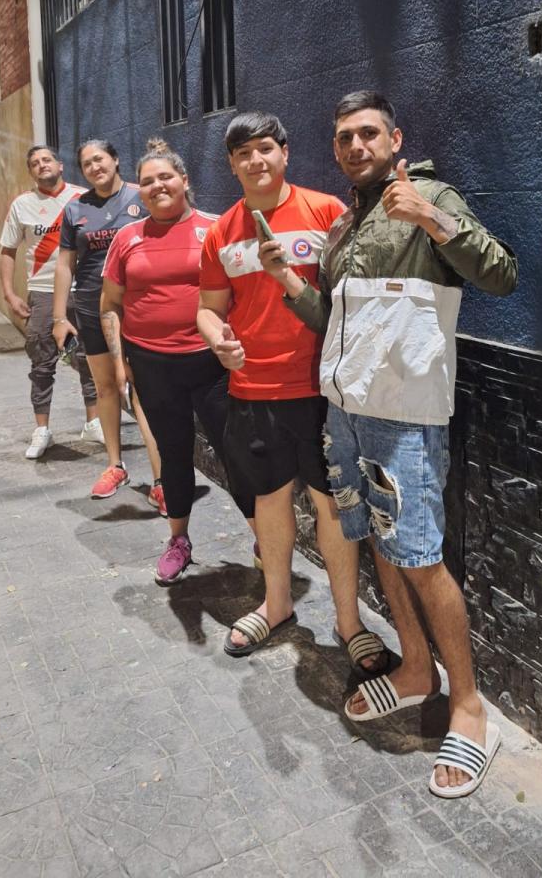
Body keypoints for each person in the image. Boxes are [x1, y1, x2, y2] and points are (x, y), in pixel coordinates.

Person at [263, 90, 517, 799]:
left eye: (368, 133)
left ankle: (469, 710)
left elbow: (501, 273)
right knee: (379, 540)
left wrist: (433, 219)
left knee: (422, 557)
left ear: (395, 139)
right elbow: (335, 319)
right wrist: (286, 280)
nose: (355, 146)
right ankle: (414, 669)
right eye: (344, 137)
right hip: (345, 410)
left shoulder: (427, 195)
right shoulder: (344, 226)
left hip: (404, 416)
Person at [197, 112, 389, 674]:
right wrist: (219, 342)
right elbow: (208, 310)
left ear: (284, 153)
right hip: (253, 390)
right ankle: (276, 604)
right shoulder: (221, 231)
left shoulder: (327, 211)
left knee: (333, 507)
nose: (255, 162)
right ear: (232, 165)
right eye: (242, 155)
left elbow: (351, 303)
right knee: (270, 500)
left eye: (264, 149)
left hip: (322, 389)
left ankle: (349, 621)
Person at [100, 139, 255, 583]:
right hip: (152, 365)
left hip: (211, 364)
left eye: (165, 177)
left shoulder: (216, 228)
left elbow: (242, 294)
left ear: (185, 181)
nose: (156, 186)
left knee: (237, 454)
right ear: (139, 190)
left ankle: (263, 537)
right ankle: (179, 541)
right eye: (147, 181)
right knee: (172, 455)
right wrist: (119, 362)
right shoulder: (127, 239)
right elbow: (110, 303)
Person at [52, 139, 162, 503]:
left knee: (145, 390)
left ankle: (163, 480)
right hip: (89, 307)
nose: (94, 167)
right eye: (86, 164)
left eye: (99, 159)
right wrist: (58, 317)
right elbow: (65, 266)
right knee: (105, 389)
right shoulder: (75, 210)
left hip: (138, 306)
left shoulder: (140, 197)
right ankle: (115, 464)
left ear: (115, 160)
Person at [0, 145, 100, 459]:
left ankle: (93, 421)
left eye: (46, 159)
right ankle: (42, 428)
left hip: (82, 290)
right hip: (43, 293)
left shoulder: (84, 198)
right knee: (42, 361)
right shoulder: (22, 205)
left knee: (88, 359)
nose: (41, 165)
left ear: (59, 164)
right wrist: (9, 293)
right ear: (31, 172)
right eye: (34, 163)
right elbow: (7, 250)